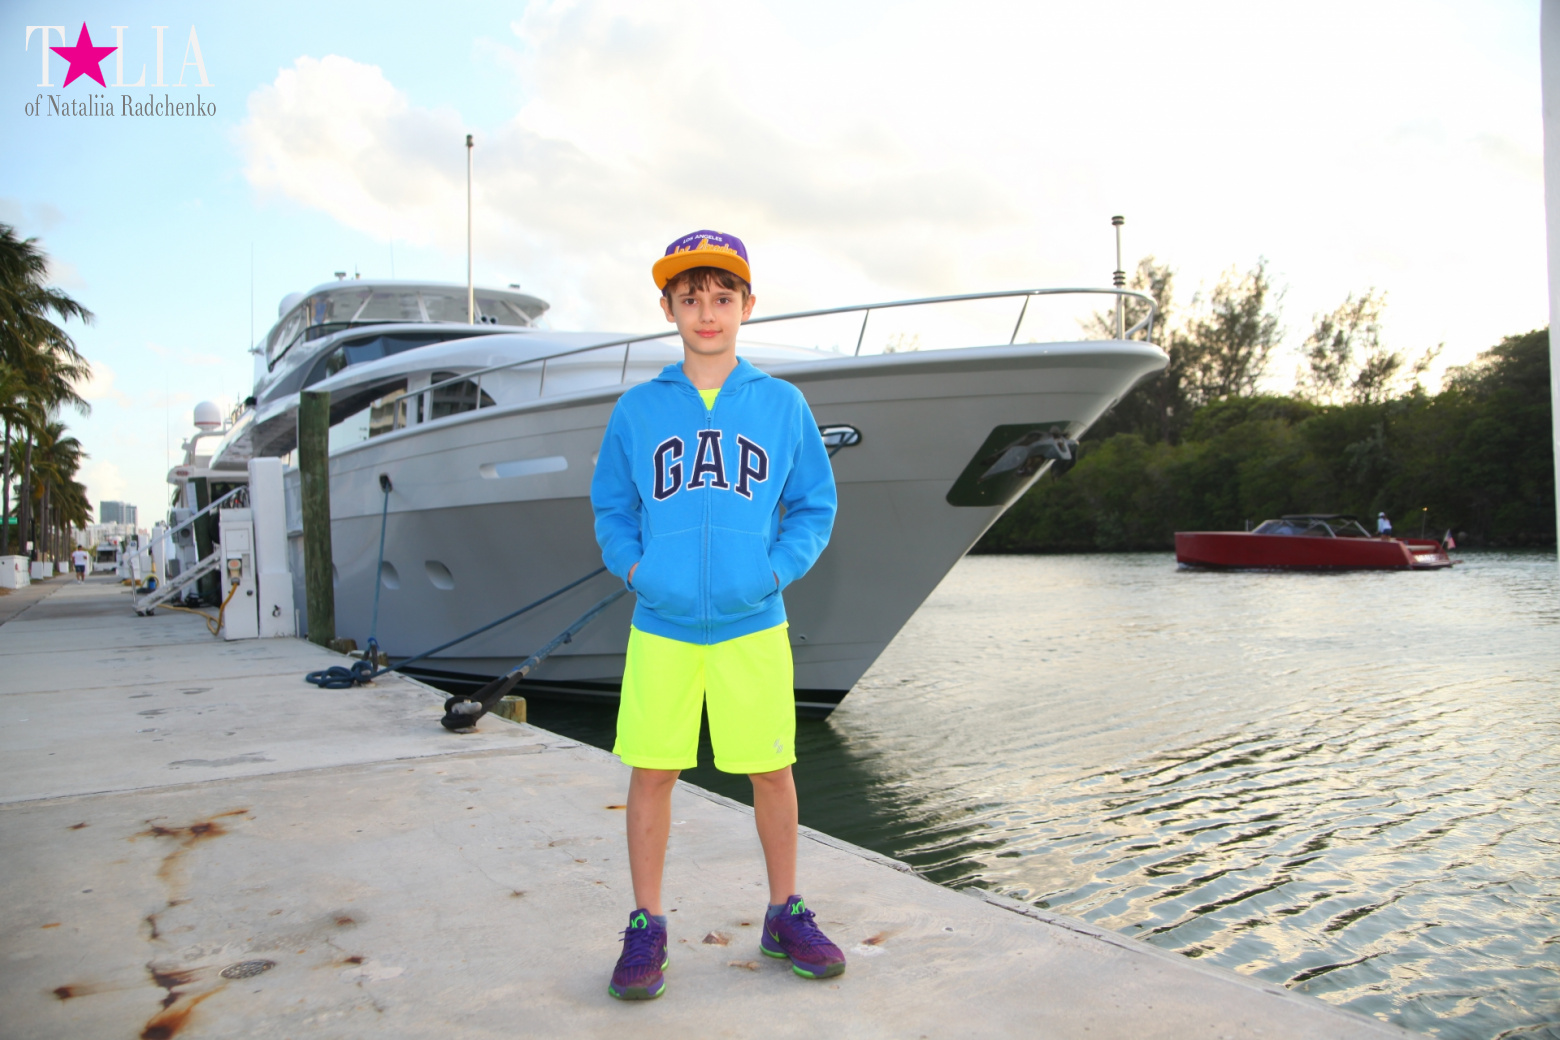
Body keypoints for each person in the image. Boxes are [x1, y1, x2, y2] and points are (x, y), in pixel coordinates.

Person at [591, 230, 842, 1001]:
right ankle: (646, 925)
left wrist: (774, 570)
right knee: (652, 770)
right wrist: (639, 570)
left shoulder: (781, 404)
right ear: (667, 306)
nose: (708, 312)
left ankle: (782, 911)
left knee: (772, 769)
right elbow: (611, 507)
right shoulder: (639, 410)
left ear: (747, 306)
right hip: (663, 625)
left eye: (723, 297)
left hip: (752, 623)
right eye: (691, 298)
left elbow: (813, 506)